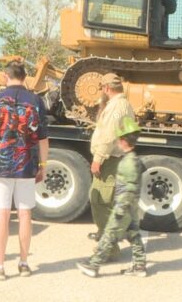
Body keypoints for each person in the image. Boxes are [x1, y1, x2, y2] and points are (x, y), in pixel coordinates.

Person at [0, 60, 49, 280]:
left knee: (3, 215)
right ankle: (24, 263)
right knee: (26, 214)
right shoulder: (35, 101)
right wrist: (43, 165)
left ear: (5, 77)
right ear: (25, 77)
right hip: (26, 165)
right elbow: (43, 140)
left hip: (1, 165)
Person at [77, 116, 147, 278]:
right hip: (130, 205)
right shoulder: (134, 159)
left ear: (123, 141)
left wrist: (120, 210)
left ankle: (94, 265)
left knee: (109, 233)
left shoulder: (127, 163)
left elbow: (128, 189)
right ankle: (139, 265)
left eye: (118, 139)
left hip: (123, 205)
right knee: (133, 234)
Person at [88, 73, 135, 260]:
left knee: (100, 201)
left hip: (109, 160)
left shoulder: (116, 106)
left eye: (102, 88)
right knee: (107, 201)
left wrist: (98, 158)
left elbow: (109, 135)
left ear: (107, 88)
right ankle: (105, 235)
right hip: (117, 158)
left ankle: (109, 248)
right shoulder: (125, 104)